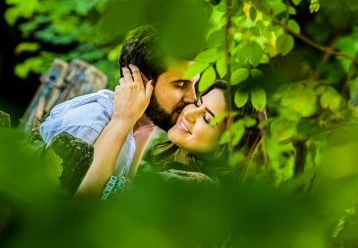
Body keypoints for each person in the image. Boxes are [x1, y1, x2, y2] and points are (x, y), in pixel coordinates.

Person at [39, 26, 200, 200]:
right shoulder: (91, 124)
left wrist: (146, 126)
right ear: (140, 80)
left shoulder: (132, 128)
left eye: (194, 86)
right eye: (180, 85)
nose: (193, 98)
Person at [100, 80, 266, 200]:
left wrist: (121, 120)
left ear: (224, 146)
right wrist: (148, 123)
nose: (188, 114)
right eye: (197, 103)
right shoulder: (194, 181)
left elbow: (96, 194)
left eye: (207, 118)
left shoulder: (195, 185)